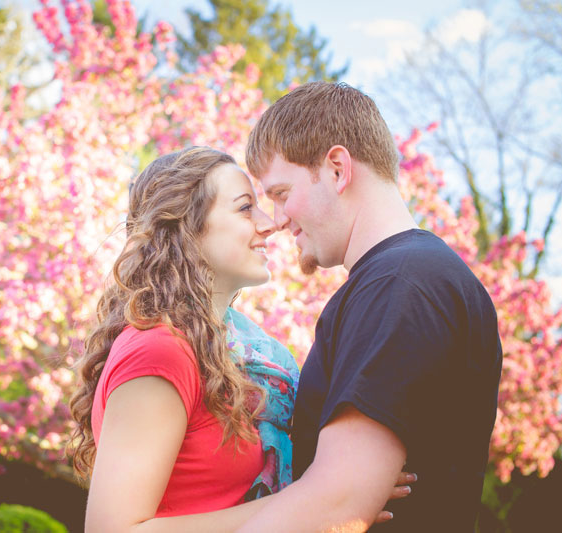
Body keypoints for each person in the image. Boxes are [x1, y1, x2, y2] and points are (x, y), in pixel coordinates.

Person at [67, 146, 413, 531]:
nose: (270, 223)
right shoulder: (158, 350)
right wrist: (314, 502)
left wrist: (346, 487)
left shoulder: (238, 355)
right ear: (186, 226)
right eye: (245, 208)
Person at [238, 82, 504, 532]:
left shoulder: (401, 283)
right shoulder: (406, 277)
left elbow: (339, 506)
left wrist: (331, 496)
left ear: (338, 169)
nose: (277, 219)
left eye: (282, 193)